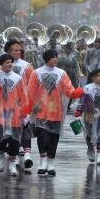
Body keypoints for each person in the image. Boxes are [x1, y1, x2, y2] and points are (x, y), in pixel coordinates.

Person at [29, 48, 83, 176]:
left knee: (54, 138)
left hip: (56, 111)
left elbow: (69, 90)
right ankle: (42, 162)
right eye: (53, 57)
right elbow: (30, 92)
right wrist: (27, 110)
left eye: (56, 57)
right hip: (41, 111)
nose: (56, 59)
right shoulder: (36, 73)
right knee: (42, 137)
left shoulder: (61, 73)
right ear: (47, 58)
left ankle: (51, 163)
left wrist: (80, 91)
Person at [0, 53, 30, 177]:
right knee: (1, 138)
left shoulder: (18, 78)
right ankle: (1, 154)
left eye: (11, 62)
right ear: (1, 64)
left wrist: (25, 113)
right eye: (7, 62)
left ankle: (12, 164)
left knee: (14, 139)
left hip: (15, 113)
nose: (10, 64)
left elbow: (24, 97)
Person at [6, 39, 38, 170]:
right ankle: (14, 151)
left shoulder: (27, 66)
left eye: (19, 50)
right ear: (8, 51)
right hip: (7, 103)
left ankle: (27, 153)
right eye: (15, 50)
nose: (18, 52)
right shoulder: (3, 65)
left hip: (23, 102)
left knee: (25, 126)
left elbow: (33, 84)